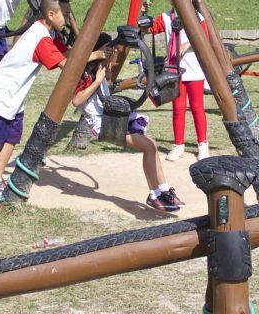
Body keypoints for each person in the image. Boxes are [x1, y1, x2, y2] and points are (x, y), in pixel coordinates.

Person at [0, 0, 104, 195]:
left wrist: (93, 53)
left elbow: (67, 54)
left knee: (11, 137)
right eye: (65, 15)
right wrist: (96, 55)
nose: (67, 19)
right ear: (50, 14)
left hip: (15, 94)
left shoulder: (49, 33)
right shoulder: (41, 38)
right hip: (4, 91)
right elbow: (67, 65)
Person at [72, 32, 186, 212]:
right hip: (104, 124)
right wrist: (97, 81)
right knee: (148, 147)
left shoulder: (100, 69)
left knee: (153, 145)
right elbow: (76, 101)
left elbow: (107, 88)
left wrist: (107, 74)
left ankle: (163, 190)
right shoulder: (85, 75)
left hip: (113, 116)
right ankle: (154, 195)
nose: (111, 54)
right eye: (108, 51)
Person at [147, 0, 210, 162]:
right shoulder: (167, 17)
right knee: (178, 108)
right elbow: (149, 28)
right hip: (174, 71)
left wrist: (187, 45)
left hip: (194, 69)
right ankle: (178, 145)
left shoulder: (198, 17)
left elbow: (204, 37)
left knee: (197, 107)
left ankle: (203, 145)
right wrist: (144, 13)